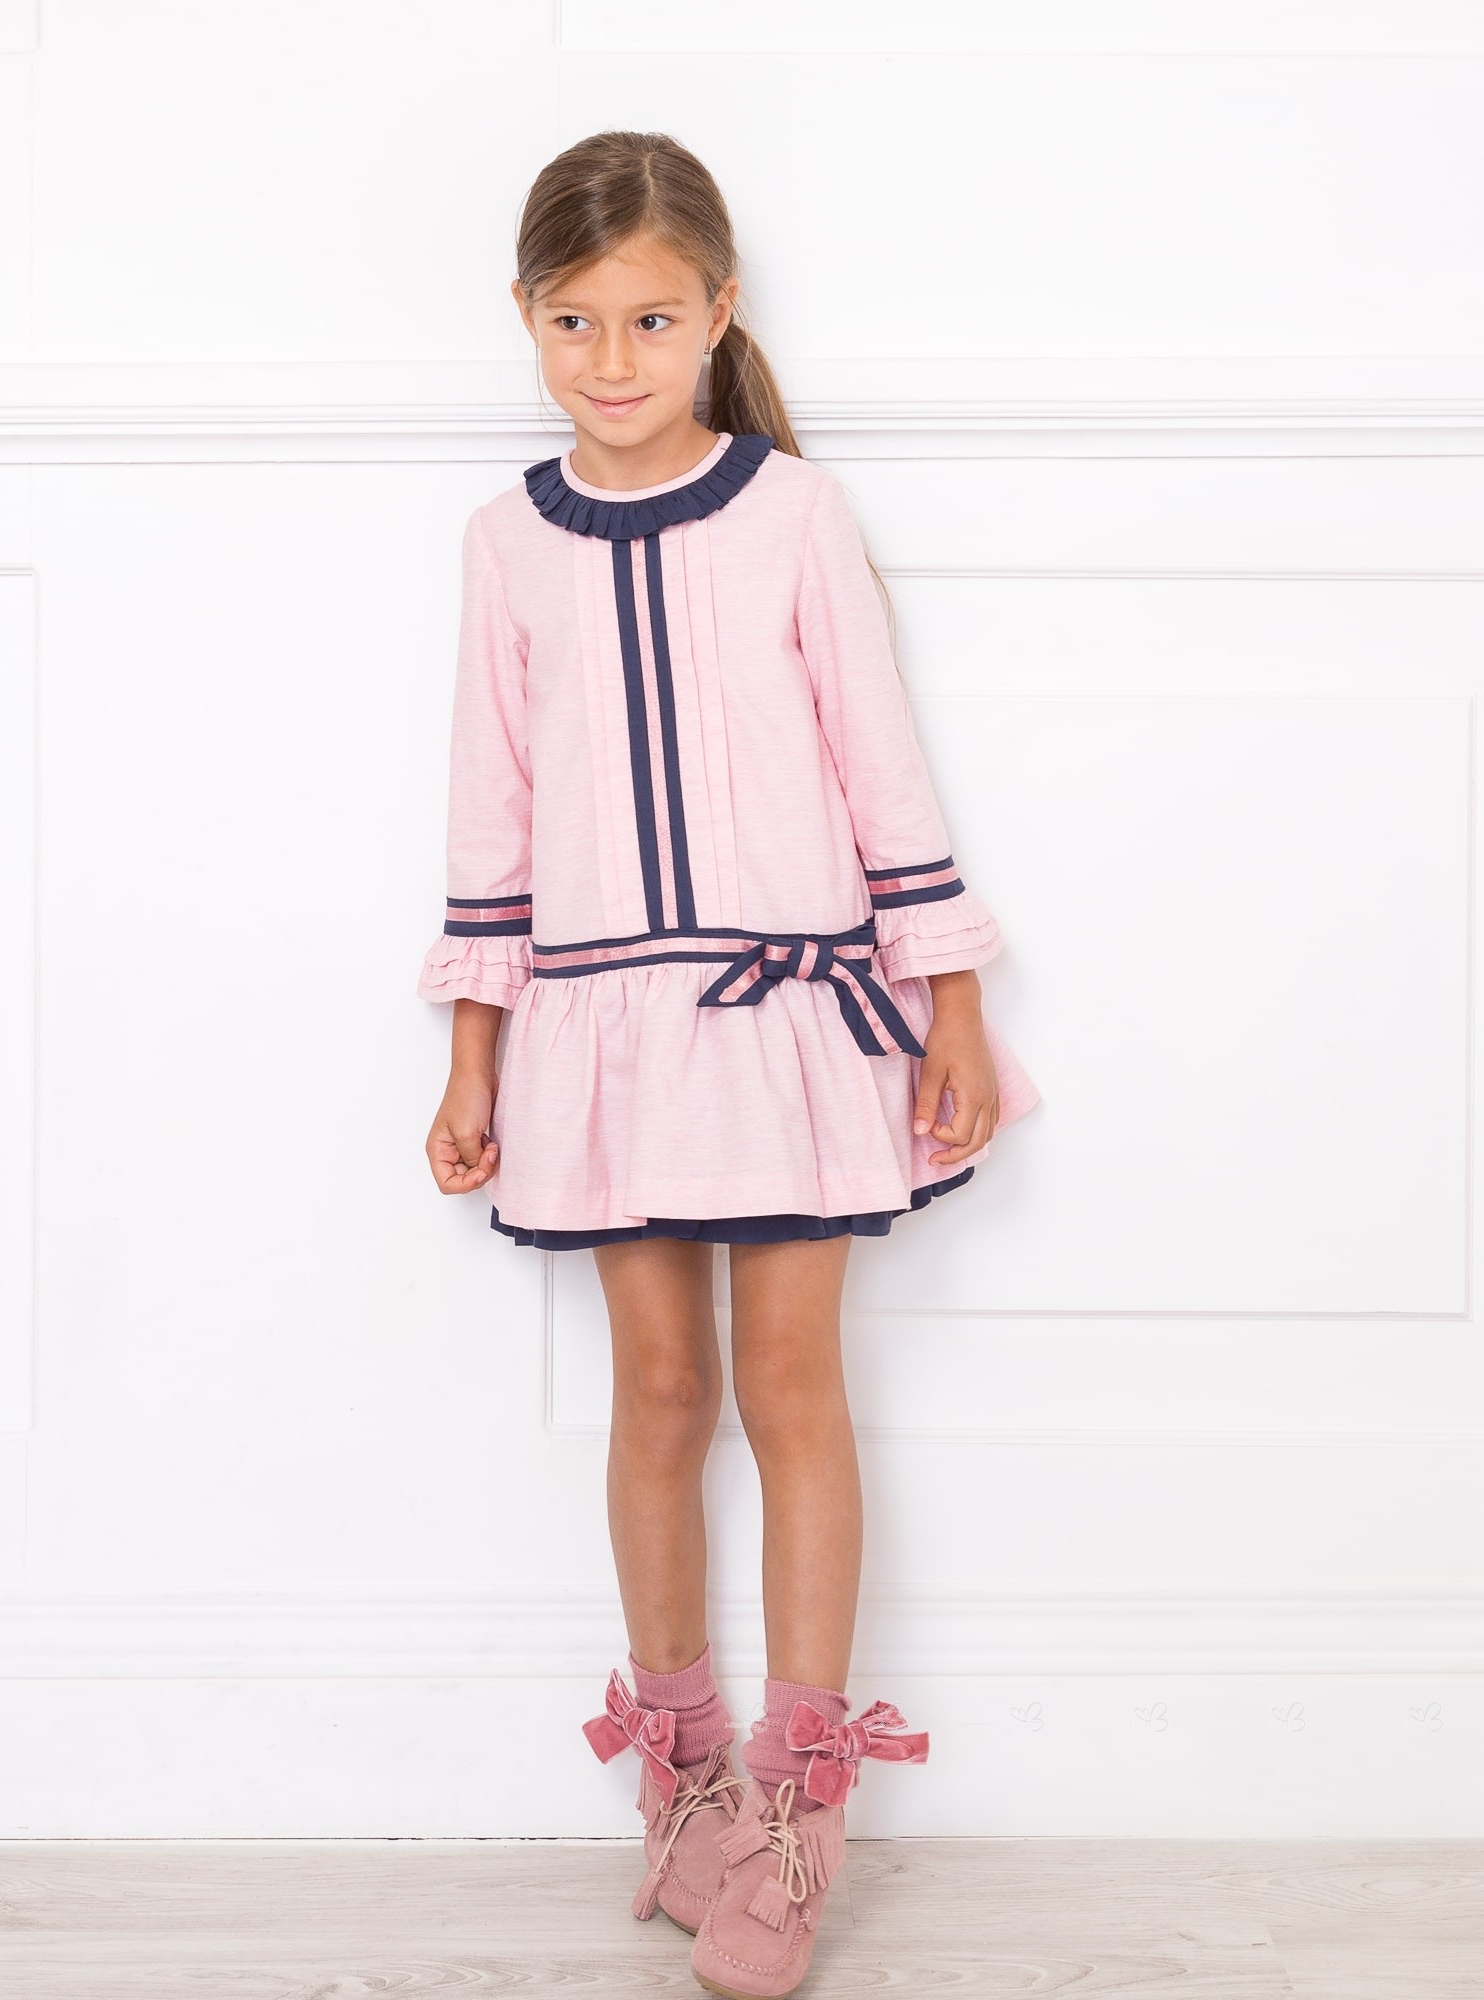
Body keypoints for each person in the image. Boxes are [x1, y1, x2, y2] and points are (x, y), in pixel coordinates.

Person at [418, 129, 1041, 1999]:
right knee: (663, 1390)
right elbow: (490, 808)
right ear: (524, 316)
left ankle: (799, 1810)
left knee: (790, 1386)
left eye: (651, 319)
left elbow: (880, 761)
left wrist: (949, 997)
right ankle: (680, 1783)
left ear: (717, 312)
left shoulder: (794, 514)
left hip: (788, 1020)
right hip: (602, 1029)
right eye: (575, 321)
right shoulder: (504, 543)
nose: (613, 359)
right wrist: (473, 1054)